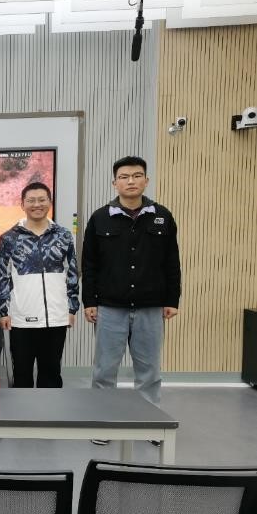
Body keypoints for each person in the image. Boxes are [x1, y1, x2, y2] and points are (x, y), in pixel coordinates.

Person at [82, 156, 181, 446]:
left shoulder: (162, 216)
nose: (131, 181)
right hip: (110, 307)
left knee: (149, 371)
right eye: (124, 177)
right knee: (104, 371)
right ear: (115, 183)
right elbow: (89, 264)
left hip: (151, 306)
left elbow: (172, 261)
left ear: (146, 181)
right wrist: (89, 301)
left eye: (137, 176)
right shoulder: (100, 218)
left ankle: (150, 425)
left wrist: (172, 299)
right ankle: (103, 424)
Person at [0, 182, 79, 388]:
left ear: (49, 202)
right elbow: (2, 276)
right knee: (22, 374)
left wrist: (72, 308)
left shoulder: (63, 235)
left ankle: (50, 410)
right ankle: (22, 410)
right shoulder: (9, 238)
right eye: (31, 200)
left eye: (42, 200)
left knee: (51, 374)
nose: (37, 205)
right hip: (21, 319)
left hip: (56, 317)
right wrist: (3, 311)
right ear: (22, 204)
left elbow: (72, 272)